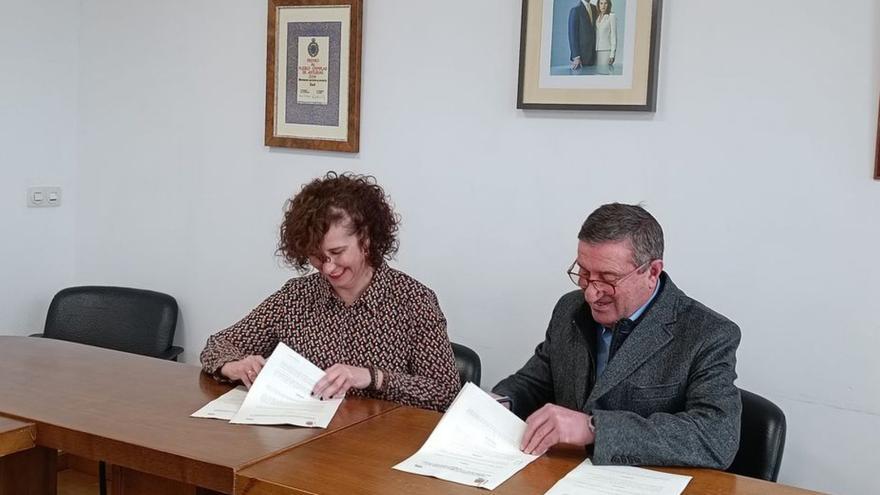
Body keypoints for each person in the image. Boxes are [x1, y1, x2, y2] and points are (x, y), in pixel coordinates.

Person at [493, 203, 741, 468]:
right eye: (584, 274)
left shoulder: (708, 334)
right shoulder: (569, 309)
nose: (591, 293)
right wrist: (500, 404)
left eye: (608, 279)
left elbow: (715, 438)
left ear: (652, 272)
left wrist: (594, 429)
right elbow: (536, 382)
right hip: (564, 473)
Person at [200, 172, 460, 412]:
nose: (328, 267)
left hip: (381, 446)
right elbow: (217, 346)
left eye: (337, 253)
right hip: (307, 442)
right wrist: (234, 366)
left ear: (366, 240)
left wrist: (373, 377)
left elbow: (444, 392)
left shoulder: (413, 301)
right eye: (317, 257)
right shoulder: (296, 297)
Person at [568, 0, 599, 69]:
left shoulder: (595, 9)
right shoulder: (576, 10)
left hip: (594, 54)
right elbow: (572, 35)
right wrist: (576, 57)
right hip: (581, 57)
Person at [595, 0, 617, 67]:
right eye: (601, 3)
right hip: (596, 50)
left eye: (605, 3)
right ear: (598, 5)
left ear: (608, 5)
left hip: (606, 51)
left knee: (604, 73)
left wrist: (612, 54)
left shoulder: (611, 16)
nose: (603, 6)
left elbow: (614, 36)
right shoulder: (597, 17)